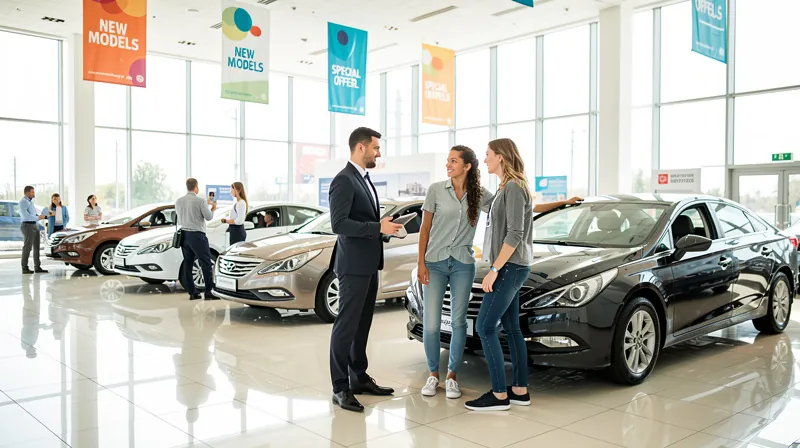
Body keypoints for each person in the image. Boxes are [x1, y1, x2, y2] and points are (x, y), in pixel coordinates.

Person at [465, 138, 581, 412]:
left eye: (488, 155)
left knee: (484, 327)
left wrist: (494, 269)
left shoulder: (514, 188)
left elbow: (516, 233)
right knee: (512, 328)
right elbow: (527, 211)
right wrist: (564, 202)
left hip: (509, 267)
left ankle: (498, 394)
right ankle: (519, 390)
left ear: (501, 157)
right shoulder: (507, 188)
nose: (485, 159)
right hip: (512, 266)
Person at [328, 127, 403, 412]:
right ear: (361, 148)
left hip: (369, 264)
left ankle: (358, 377)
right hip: (352, 267)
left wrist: (384, 229)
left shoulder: (364, 180)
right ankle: (340, 386)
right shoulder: (344, 180)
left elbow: (363, 222)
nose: (378, 153)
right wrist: (376, 227)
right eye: (375, 148)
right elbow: (339, 224)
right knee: (346, 326)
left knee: (362, 326)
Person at [417, 146, 490, 399]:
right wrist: (421, 263)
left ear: (467, 166)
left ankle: (452, 376)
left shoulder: (479, 194)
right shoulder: (436, 189)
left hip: (462, 263)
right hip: (435, 262)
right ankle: (433, 374)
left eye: (453, 161)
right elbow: (425, 229)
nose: (448, 165)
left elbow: (511, 205)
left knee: (459, 322)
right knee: (432, 323)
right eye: (447, 160)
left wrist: (563, 203)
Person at [176, 178, 218, 301]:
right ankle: (209, 292)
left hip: (184, 235)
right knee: (205, 262)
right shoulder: (200, 201)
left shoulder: (179, 201)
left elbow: (179, 220)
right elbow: (209, 217)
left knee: (188, 263)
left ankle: (192, 292)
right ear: (196, 187)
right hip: (197, 236)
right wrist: (213, 208)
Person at [19, 186, 49, 274]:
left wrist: (45, 215)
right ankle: (24, 268)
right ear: (27, 192)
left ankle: (37, 267)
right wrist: (39, 217)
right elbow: (26, 216)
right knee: (27, 247)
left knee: (36, 247)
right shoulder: (23, 202)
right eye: (32, 192)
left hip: (34, 225)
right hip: (27, 226)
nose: (33, 193)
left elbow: (33, 214)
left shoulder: (30, 202)